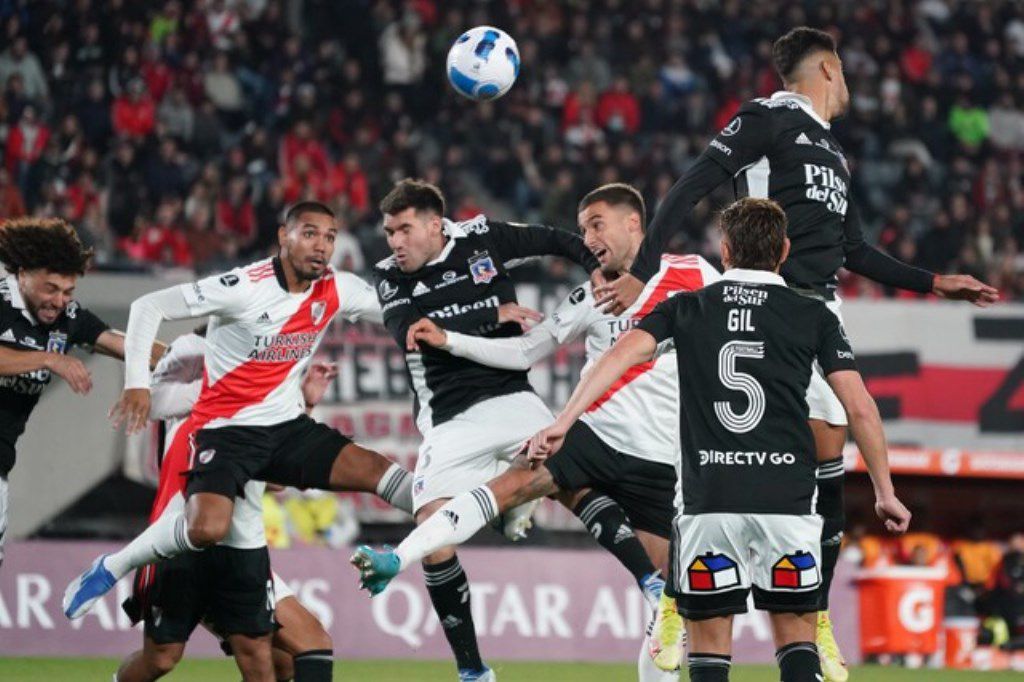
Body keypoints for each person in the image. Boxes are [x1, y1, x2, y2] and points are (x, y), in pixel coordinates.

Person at [592, 27, 997, 680]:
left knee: (826, 463)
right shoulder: (766, 118)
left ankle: (817, 618)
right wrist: (641, 266)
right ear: (830, 68)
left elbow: (855, 250)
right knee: (718, 449)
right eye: (846, 73)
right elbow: (696, 181)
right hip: (760, 299)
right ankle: (677, 596)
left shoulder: (833, 152)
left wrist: (934, 283)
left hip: (818, 309)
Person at [533, 197, 911, 682]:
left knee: (709, 651)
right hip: (787, 506)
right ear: (784, 251)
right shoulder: (812, 314)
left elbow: (617, 359)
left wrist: (564, 420)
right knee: (797, 644)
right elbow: (858, 406)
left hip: (709, 503)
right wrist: (885, 490)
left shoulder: (686, 306)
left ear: (726, 252)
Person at [352, 183, 720, 679]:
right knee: (513, 485)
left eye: (597, 224)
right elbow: (524, 350)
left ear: (634, 223)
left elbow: (736, 330)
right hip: (584, 433)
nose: (587, 236)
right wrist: (464, 334)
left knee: (670, 605)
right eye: (584, 226)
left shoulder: (693, 273)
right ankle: (410, 573)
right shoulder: (590, 297)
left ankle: (645, 592)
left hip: (663, 460)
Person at [62, 201, 413, 656]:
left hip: (283, 427)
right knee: (203, 535)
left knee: (374, 469)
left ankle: (455, 510)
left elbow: (397, 308)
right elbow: (148, 306)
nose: (321, 245)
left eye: (329, 236)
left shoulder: (337, 289)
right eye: (309, 233)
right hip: (227, 433)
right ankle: (110, 567)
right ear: (283, 236)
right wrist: (138, 385)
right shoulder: (243, 287)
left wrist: (466, 321)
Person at [362, 178, 610, 682]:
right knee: (432, 533)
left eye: (405, 230)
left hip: (513, 399)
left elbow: (557, 240)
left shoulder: (482, 238)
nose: (395, 242)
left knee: (578, 478)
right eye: (390, 232)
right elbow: (410, 331)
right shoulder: (388, 275)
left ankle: (653, 584)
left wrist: (598, 272)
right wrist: (490, 312)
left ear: (436, 225)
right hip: (448, 416)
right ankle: (473, 670)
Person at [116, 330, 354, 682]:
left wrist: (302, 406)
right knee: (161, 659)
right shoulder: (193, 400)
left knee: (301, 650)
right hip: (183, 546)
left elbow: (274, 481)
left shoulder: (258, 403)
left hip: (239, 550)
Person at [0, 218, 164, 566]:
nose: (59, 300)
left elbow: (132, 347)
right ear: (23, 273)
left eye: (68, 291)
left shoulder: (68, 318)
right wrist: (47, 359)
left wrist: (202, 355)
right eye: (50, 288)